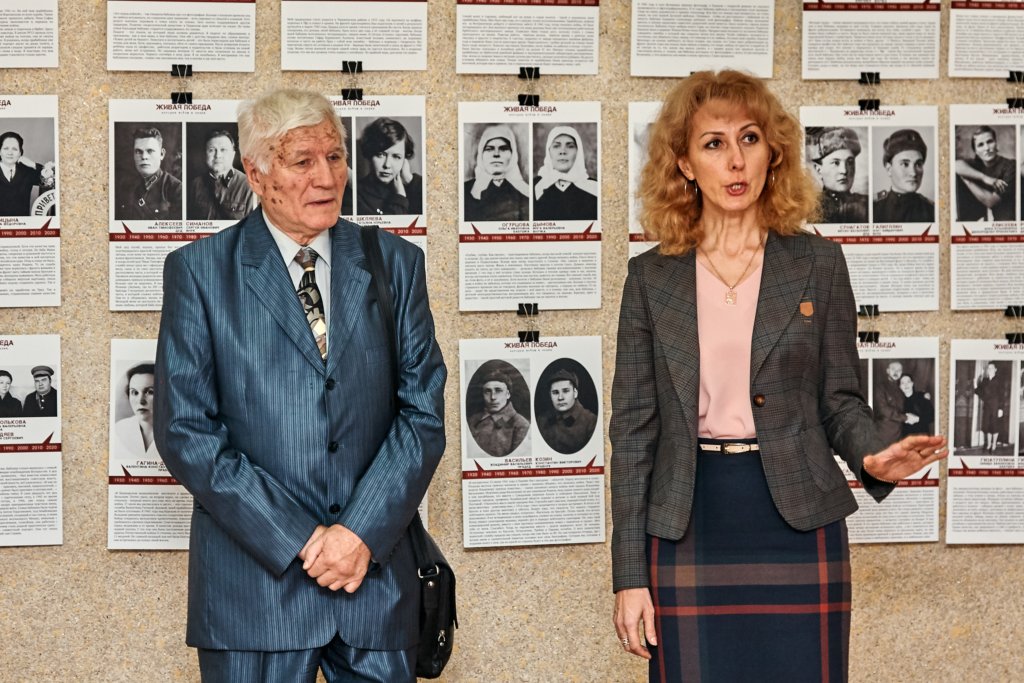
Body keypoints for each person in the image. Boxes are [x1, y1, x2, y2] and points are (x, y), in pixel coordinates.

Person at [610, 70, 947, 682]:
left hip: (797, 518)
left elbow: (839, 400)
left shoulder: (818, 263)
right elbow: (634, 435)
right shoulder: (651, 277)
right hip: (689, 521)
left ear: (774, 153)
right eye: (713, 144)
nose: (735, 160)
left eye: (750, 138)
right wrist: (629, 576)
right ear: (684, 164)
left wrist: (872, 457)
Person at [153, 88, 446, 682]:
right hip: (254, 595)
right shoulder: (200, 273)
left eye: (334, 157)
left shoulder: (395, 263)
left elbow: (422, 413)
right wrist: (303, 538)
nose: (327, 177)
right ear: (256, 173)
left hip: (372, 584)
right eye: (302, 161)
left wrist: (358, 532)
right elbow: (185, 431)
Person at [356, 118, 422, 216]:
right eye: (380, 155)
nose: (387, 165)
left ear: (404, 160)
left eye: (396, 157)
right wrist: (400, 198)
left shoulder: (414, 189)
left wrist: (410, 180)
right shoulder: (355, 195)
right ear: (369, 154)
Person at [464, 125, 529, 222]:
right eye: (489, 149)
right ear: (481, 154)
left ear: (513, 155)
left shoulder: (525, 194)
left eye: (503, 149)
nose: (496, 154)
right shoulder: (465, 191)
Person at [533, 125, 598, 221]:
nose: (563, 151)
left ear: (578, 152)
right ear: (549, 151)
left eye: (570, 146)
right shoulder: (535, 187)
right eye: (556, 146)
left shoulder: (594, 188)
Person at [115, 127, 182, 221]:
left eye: (150, 151)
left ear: (161, 154)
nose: (144, 157)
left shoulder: (177, 189)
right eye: (138, 152)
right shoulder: (124, 188)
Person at [187, 129, 253, 221]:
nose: (217, 155)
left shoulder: (249, 186)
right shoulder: (195, 185)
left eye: (223, 150)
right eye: (211, 150)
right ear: (205, 155)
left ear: (233, 155)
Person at [955, 126, 1016, 222]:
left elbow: (991, 201)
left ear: (996, 143)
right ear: (975, 151)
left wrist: (967, 180)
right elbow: (955, 165)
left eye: (990, 142)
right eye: (980, 145)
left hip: (1007, 220)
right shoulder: (976, 164)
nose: (986, 148)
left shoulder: (1010, 166)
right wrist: (984, 178)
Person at [873, 129, 934, 223]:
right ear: (889, 169)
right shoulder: (873, 208)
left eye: (918, 164)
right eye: (905, 164)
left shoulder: (932, 210)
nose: (913, 173)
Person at [808, 126, 868, 223]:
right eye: (836, 163)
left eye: (850, 162)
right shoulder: (810, 208)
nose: (844, 170)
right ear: (818, 169)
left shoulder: (866, 204)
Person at [466, 368, 529, 457]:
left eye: (498, 390)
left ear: (508, 394)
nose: (493, 397)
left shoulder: (520, 425)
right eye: (488, 391)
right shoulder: (473, 421)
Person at [537, 368, 597, 454]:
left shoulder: (591, 422)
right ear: (550, 395)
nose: (560, 397)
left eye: (565, 391)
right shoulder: (542, 420)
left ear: (575, 393)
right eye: (555, 392)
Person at [0, 131, 55, 217]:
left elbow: (52, 179)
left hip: (23, 223)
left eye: (14, 149)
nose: (10, 153)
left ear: (20, 153)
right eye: (6, 148)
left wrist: (33, 164)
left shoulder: (27, 172)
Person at [113, 363, 158, 459]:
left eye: (150, 392)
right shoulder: (119, 429)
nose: (140, 401)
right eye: (135, 392)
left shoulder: (180, 432)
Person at [872, 360, 908, 444]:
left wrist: (923, 395)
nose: (896, 372)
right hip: (885, 433)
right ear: (887, 371)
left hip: (899, 433)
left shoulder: (901, 388)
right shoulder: (880, 387)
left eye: (899, 370)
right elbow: (883, 410)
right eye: (893, 369)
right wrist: (905, 418)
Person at [974, 362, 1006, 452]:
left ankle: (994, 444)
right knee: (987, 426)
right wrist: (975, 385)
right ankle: (988, 444)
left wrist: (1001, 408)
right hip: (987, 406)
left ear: (995, 369)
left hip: (996, 406)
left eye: (992, 368)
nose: (990, 370)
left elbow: (1002, 395)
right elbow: (980, 393)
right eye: (988, 368)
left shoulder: (999, 380)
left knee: (995, 426)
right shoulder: (985, 380)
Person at [899, 373, 933, 437]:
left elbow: (931, 416)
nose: (906, 385)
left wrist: (918, 419)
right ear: (900, 386)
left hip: (922, 435)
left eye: (908, 382)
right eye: (903, 383)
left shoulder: (921, 396)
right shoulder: (897, 401)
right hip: (906, 438)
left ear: (912, 383)